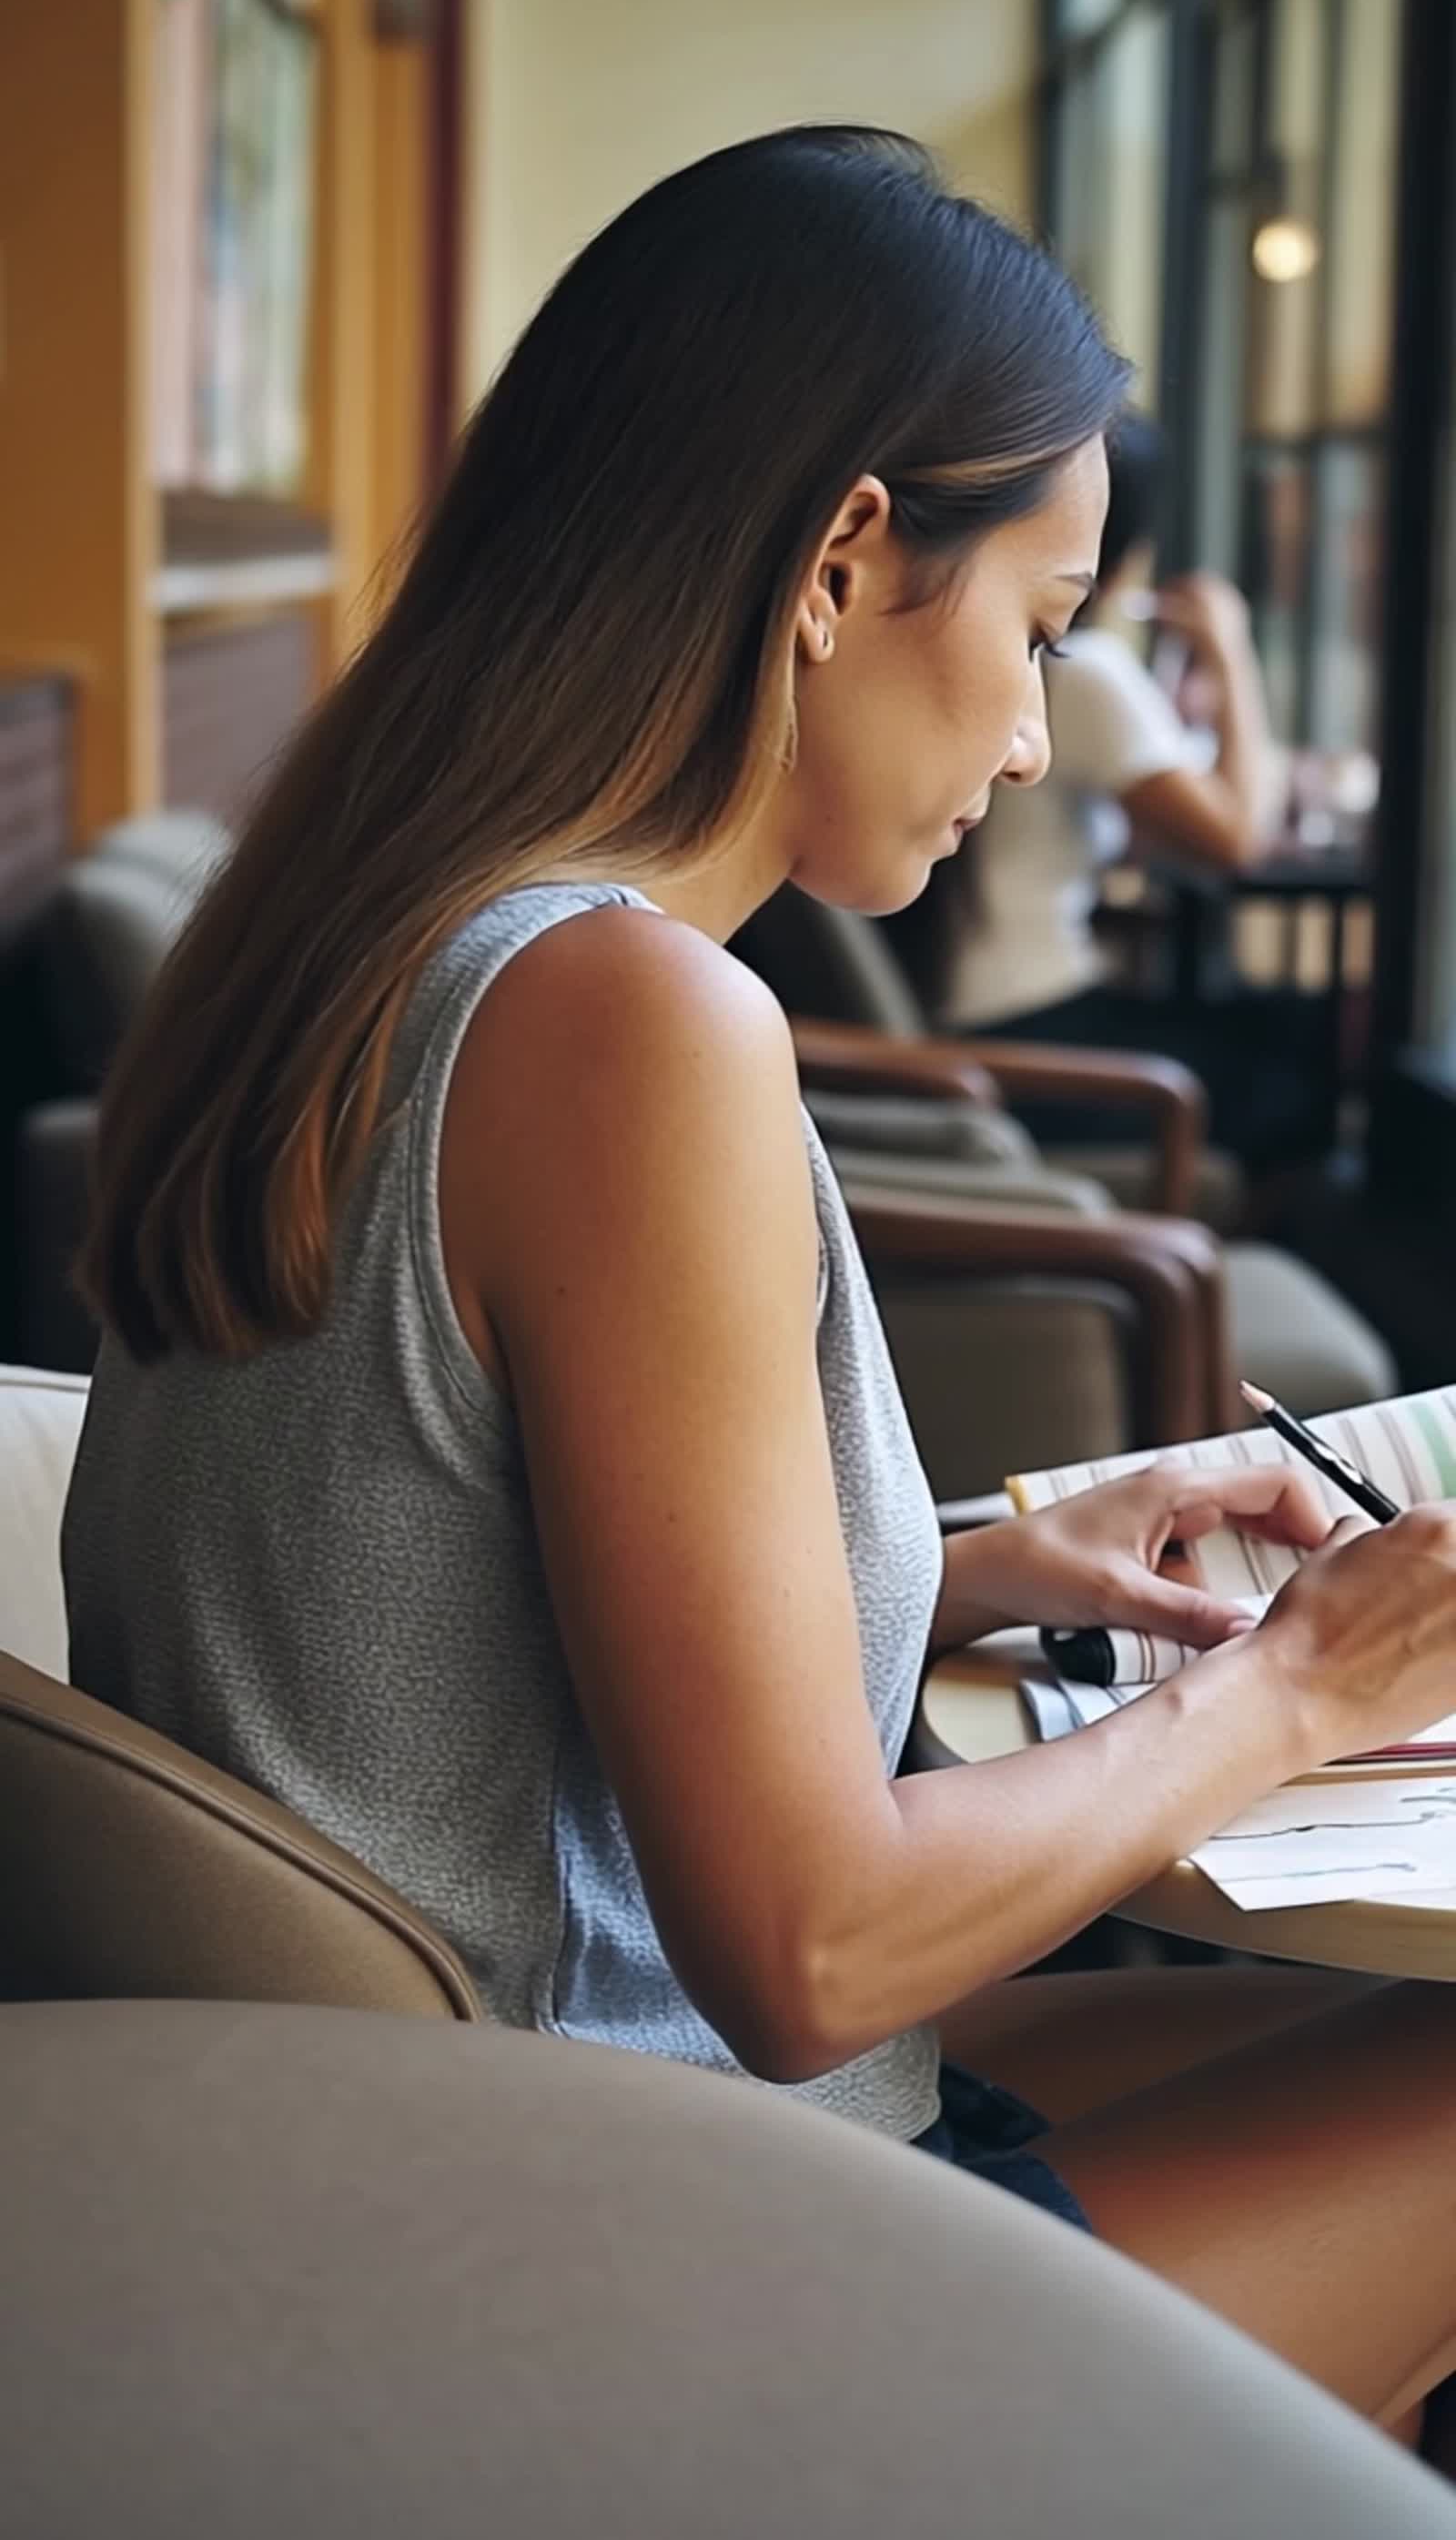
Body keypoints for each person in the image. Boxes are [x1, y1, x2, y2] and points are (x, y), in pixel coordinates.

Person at [60, 128, 1456, 2469]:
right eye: (1035, 627)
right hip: (623, 2290)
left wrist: (986, 1564)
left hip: (360, 2193)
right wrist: (1303, 1689)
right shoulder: (625, 1029)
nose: (1031, 740)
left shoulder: (365, 938)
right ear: (839, 560)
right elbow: (807, 1953)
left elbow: (418, 1581)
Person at [911, 413, 1324, 1171]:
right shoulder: (1086, 667)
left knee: (1268, 1035)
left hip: (973, 1016)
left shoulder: (1043, 663)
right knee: (1294, 1068)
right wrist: (1229, 649)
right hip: (1027, 1029)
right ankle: (1216, 1251)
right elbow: (1235, 841)